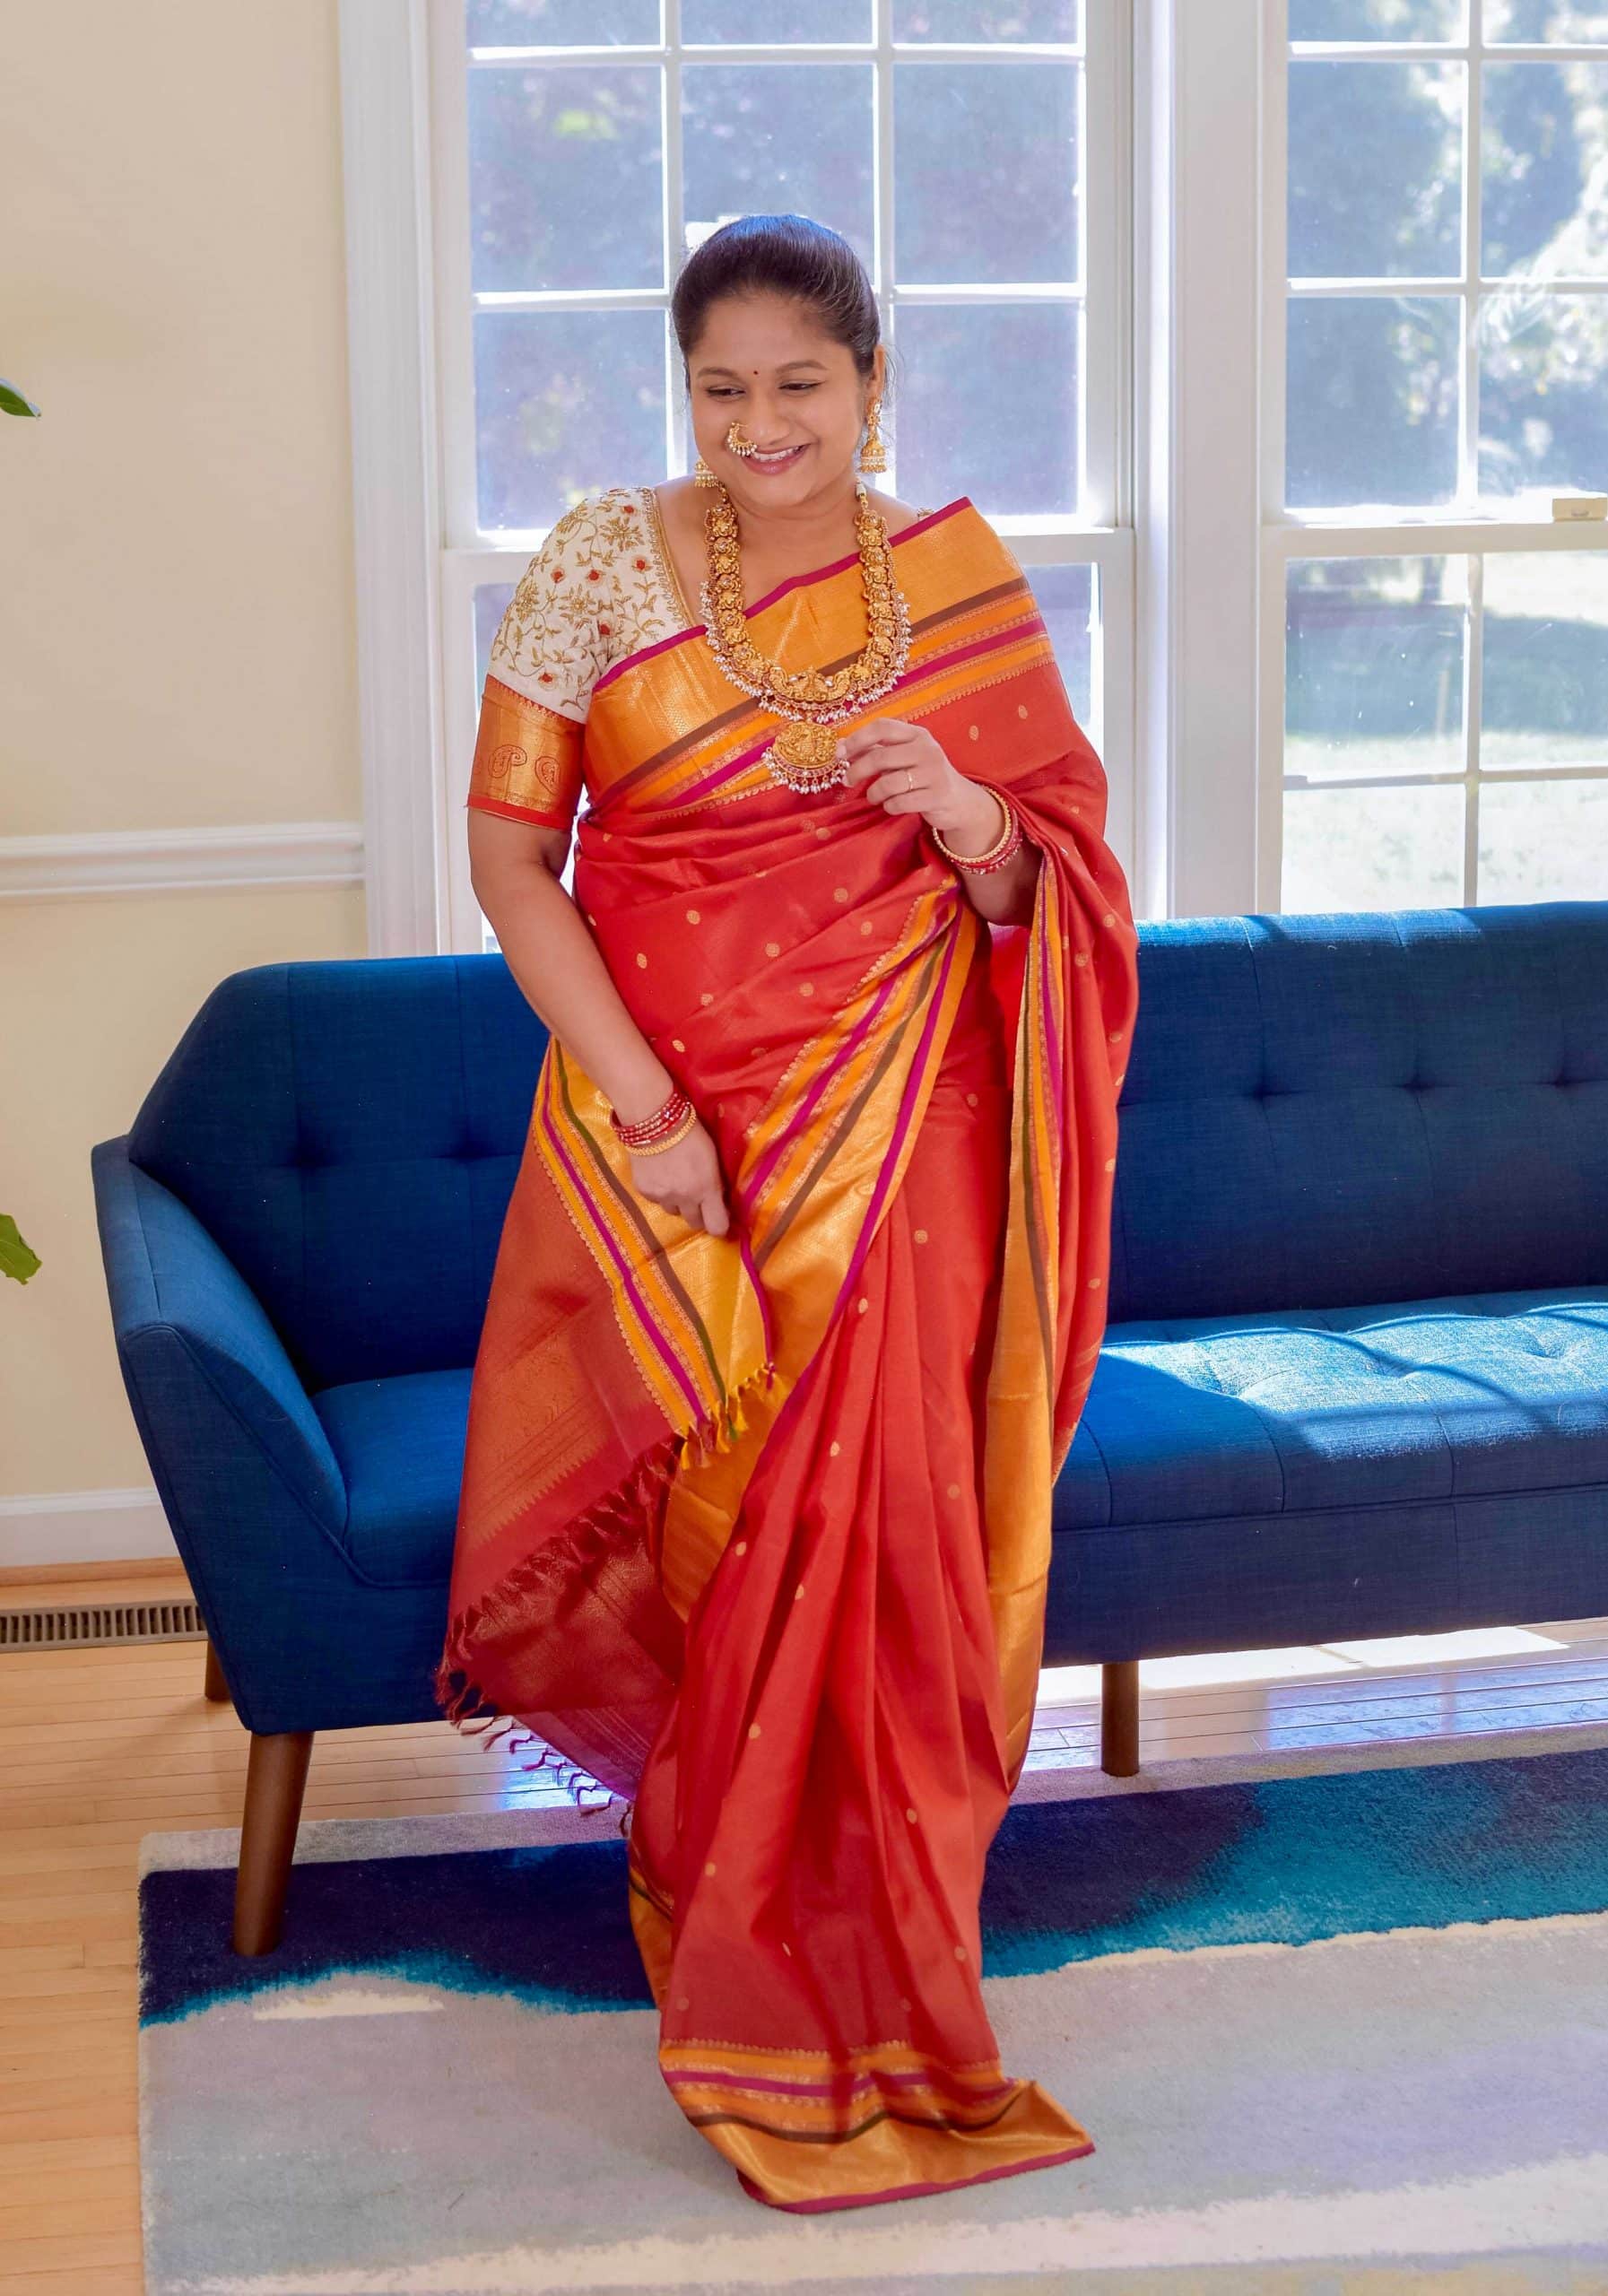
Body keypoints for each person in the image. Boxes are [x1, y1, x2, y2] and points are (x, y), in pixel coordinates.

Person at [435, 212, 1140, 2213]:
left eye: (802, 385)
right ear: (690, 391)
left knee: (884, 1543)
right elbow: (510, 862)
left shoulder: (957, 579)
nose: (764, 424)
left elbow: (1050, 899)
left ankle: (878, 1974)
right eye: (725, 388)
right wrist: (645, 1105)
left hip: (904, 1126)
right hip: (676, 1134)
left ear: (872, 383)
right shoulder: (597, 562)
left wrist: (978, 820)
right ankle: (724, 1918)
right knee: (725, 1518)